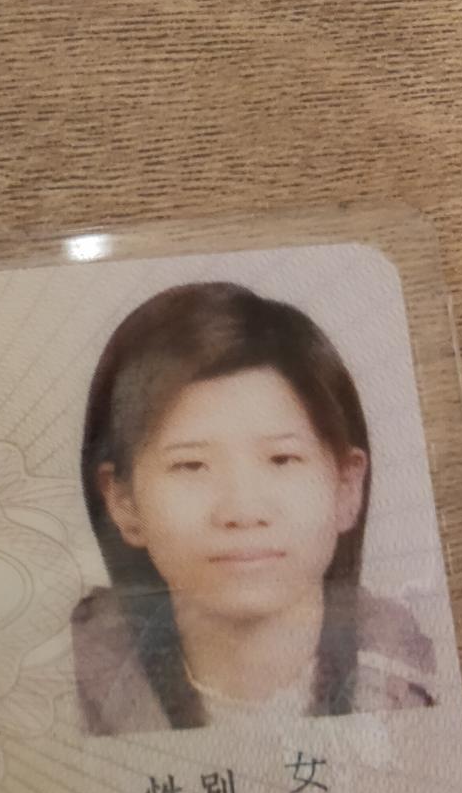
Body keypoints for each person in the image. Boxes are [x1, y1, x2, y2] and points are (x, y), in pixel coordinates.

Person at [72, 280, 436, 733]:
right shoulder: (52, 693)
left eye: (282, 459)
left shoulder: (422, 680)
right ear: (123, 501)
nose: (242, 511)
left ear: (345, 487)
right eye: (191, 465)